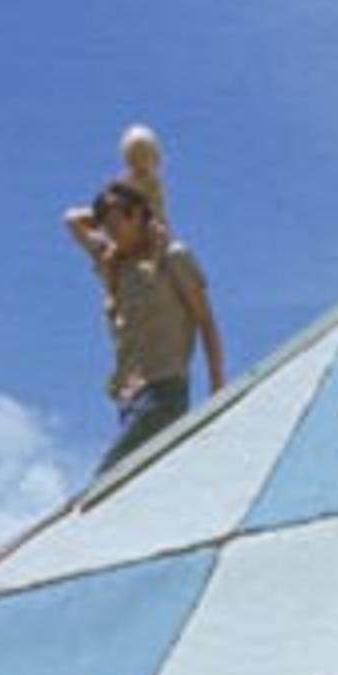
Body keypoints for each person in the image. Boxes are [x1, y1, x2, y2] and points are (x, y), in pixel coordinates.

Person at [64, 175, 224, 471]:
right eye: (105, 227)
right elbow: (72, 220)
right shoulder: (115, 265)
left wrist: (217, 392)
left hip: (164, 393)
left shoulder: (172, 258)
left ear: (137, 216)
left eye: (116, 224)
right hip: (128, 402)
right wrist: (120, 202)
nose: (109, 234)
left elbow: (206, 323)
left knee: (108, 479)